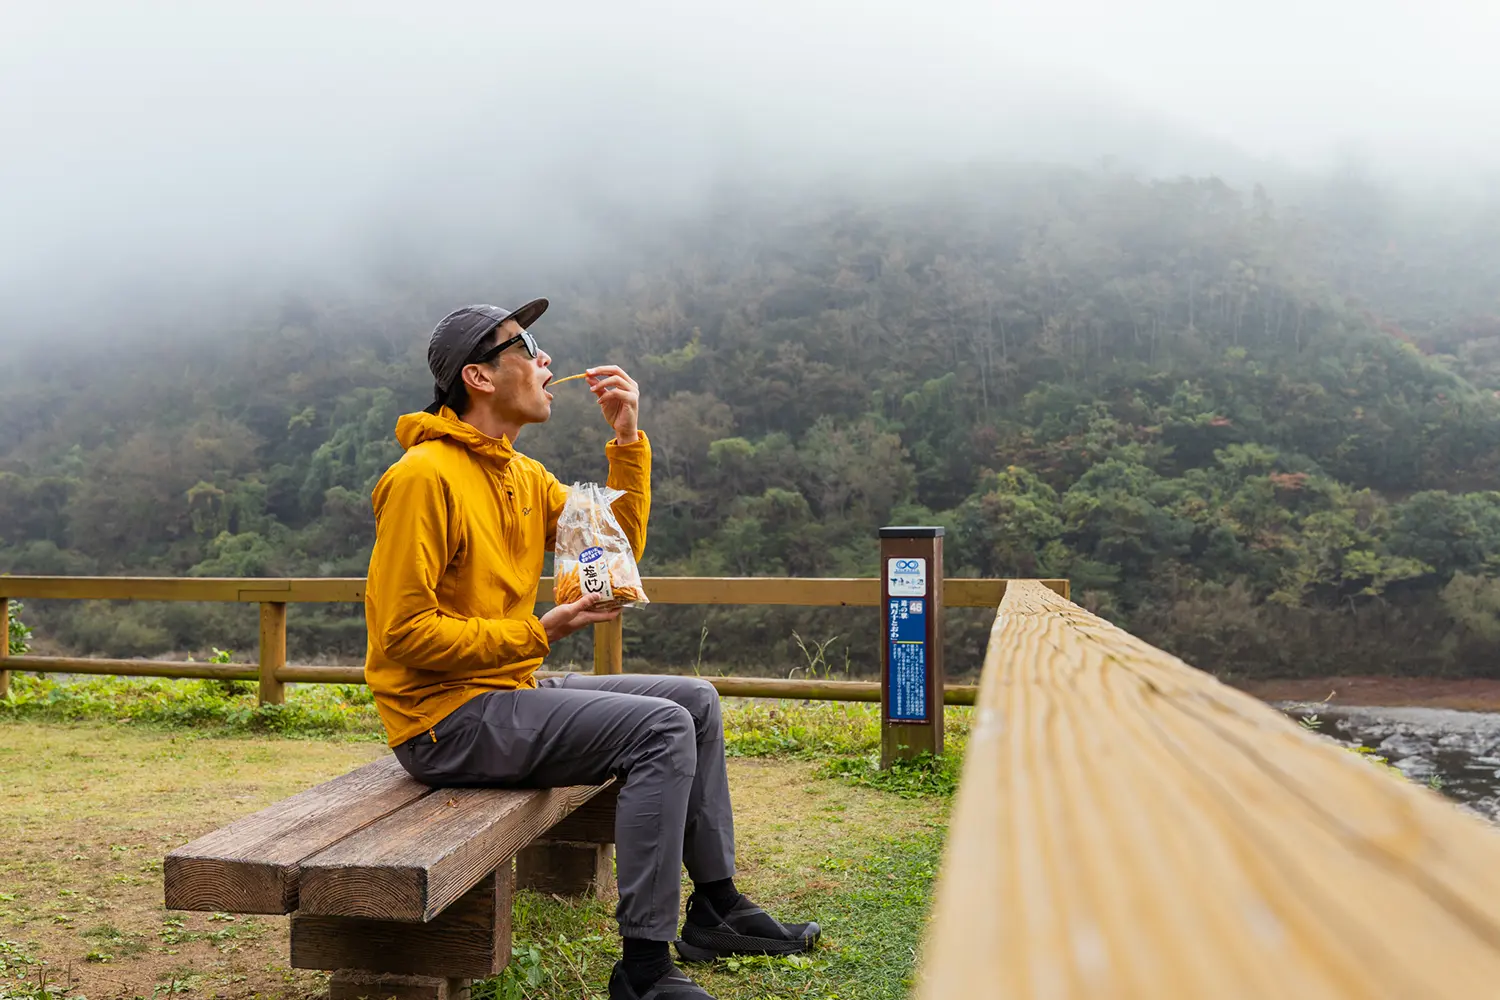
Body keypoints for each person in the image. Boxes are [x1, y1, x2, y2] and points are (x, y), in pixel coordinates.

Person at [362, 300, 818, 1000]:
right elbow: (401, 635)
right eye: (529, 346)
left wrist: (627, 437)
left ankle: (717, 907)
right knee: (659, 729)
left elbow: (611, 553)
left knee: (692, 702)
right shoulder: (423, 478)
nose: (547, 362)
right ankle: (642, 970)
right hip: (443, 720)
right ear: (479, 377)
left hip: (506, 694)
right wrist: (541, 632)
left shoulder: (520, 476)